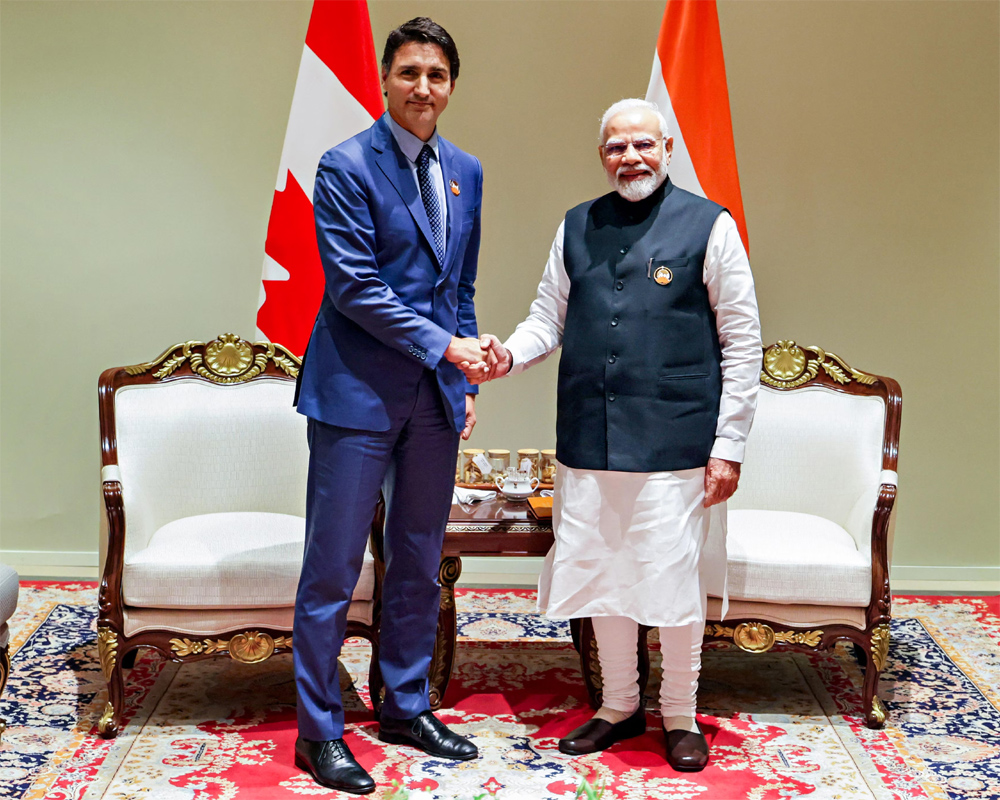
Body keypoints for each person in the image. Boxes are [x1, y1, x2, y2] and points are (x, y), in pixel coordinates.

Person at [470, 98, 761, 772]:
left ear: (666, 148)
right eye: (613, 148)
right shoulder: (578, 225)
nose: (628, 158)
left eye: (641, 145)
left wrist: (729, 446)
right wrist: (509, 355)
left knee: (671, 580)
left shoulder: (710, 226)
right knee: (606, 575)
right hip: (589, 437)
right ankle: (619, 705)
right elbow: (549, 316)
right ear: (601, 156)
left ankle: (682, 714)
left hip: (676, 443)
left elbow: (742, 344)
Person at [292, 17, 487, 794]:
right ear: (384, 78)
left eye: (437, 75)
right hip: (354, 395)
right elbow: (355, 289)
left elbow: (459, 290)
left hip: (434, 402)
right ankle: (320, 730)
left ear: (450, 86)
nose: (423, 88)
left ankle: (405, 704)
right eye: (409, 72)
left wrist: (463, 379)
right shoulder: (343, 166)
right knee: (333, 570)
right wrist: (446, 349)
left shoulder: (466, 170)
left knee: (416, 563)